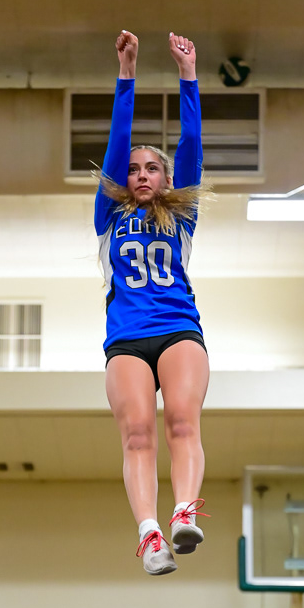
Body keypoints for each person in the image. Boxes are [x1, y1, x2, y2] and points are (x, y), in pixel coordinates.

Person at [95, 29, 212, 576]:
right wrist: (128, 72)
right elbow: (116, 143)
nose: (141, 174)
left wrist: (189, 76)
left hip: (178, 330)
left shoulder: (181, 215)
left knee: (182, 423)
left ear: (166, 180)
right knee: (137, 432)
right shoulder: (108, 216)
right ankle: (148, 534)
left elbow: (190, 144)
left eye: (152, 168)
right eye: (135, 169)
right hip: (126, 340)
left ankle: (185, 510)